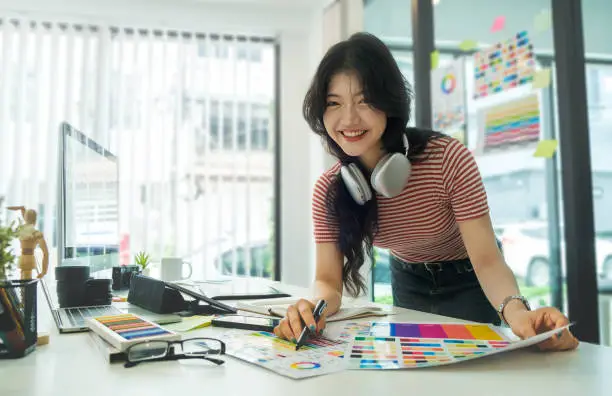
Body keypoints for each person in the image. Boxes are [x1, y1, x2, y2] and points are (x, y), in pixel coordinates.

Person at [273, 32, 578, 351]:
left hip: (470, 277)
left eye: (364, 100)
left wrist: (518, 313)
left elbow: (487, 260)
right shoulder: (330, 189)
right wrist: (311, 307)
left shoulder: (447, 159)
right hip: (407, 278)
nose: (349, 118)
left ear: (389, 103)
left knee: (473, 370)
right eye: (334, 103)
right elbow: (327, 280)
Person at [7, 205, 49, 280]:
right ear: (35, 219)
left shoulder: (21, 230)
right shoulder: (36, 234)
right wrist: (44, 271)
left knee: (23, 284)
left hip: (23, 258)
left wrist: (20, 208)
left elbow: (27, 218)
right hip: (28, 259)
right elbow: (46, 253)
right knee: (26, 285)